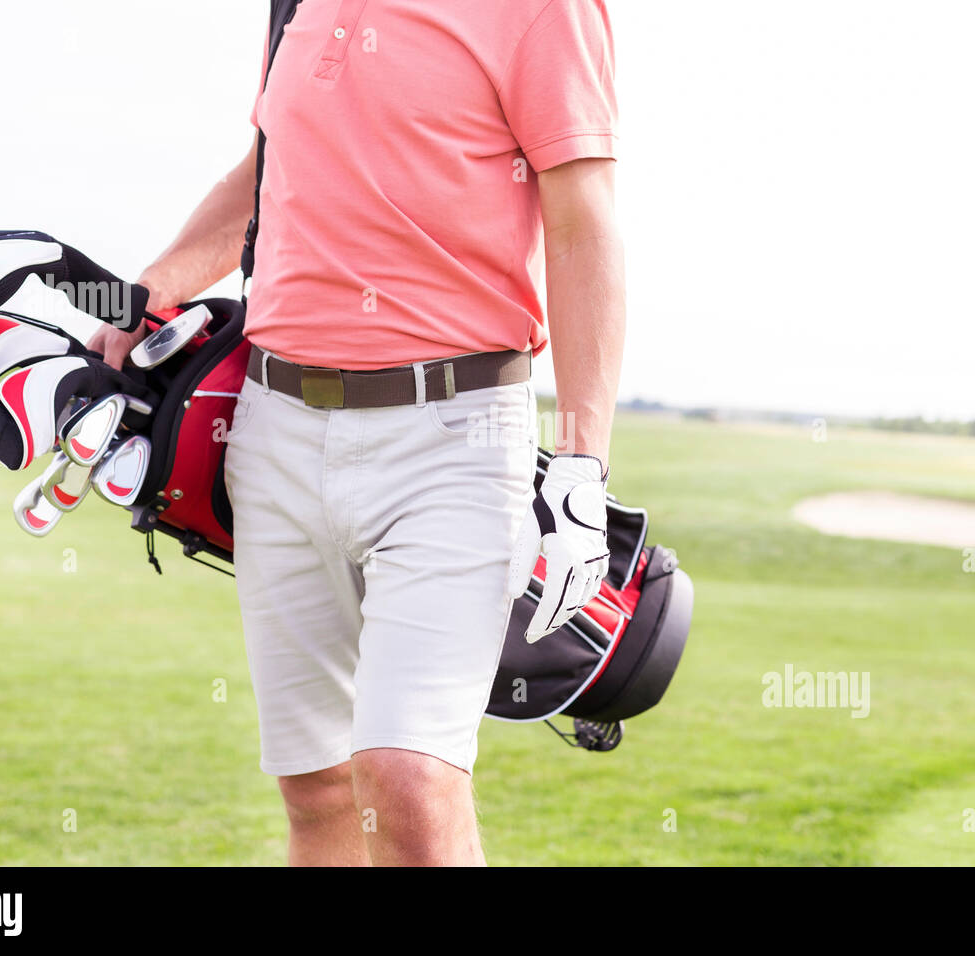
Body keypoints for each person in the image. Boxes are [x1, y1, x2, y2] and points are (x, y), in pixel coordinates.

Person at [91, 0, 624, 866]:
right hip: (276, 431)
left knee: (410, 778)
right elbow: (267, 173)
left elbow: (582, 221)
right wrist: (149, 287)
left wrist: (580, 464)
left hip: (453, 437)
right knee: (317, 788)